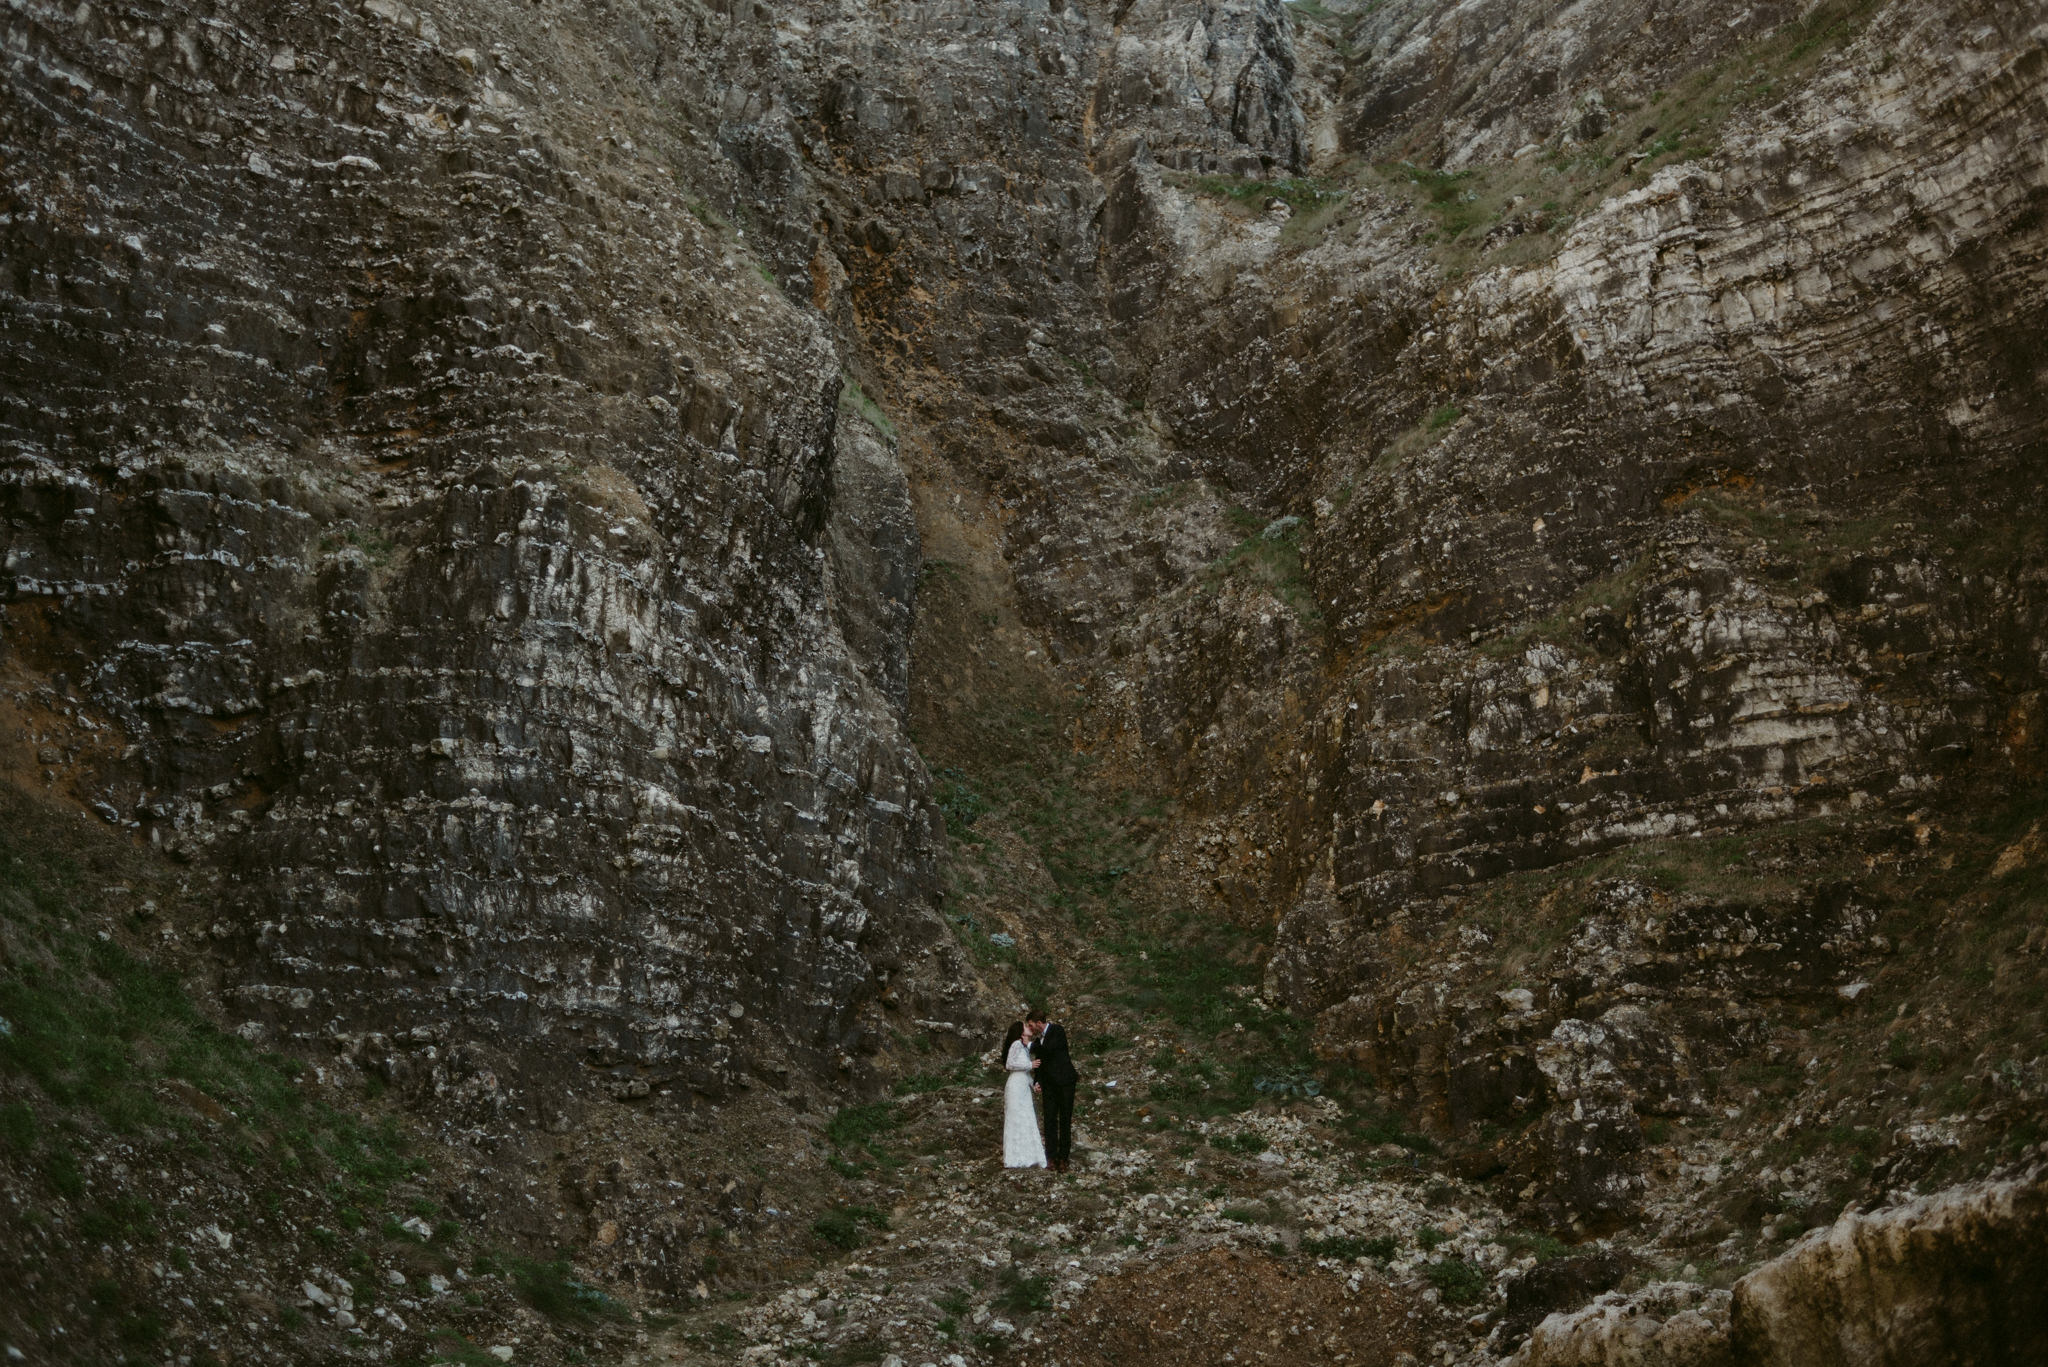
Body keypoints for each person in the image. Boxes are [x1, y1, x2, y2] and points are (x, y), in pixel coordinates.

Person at [1026, 1007, 1078, 1172]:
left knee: (1064, 1119)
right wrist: (1037, 1080)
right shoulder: (1040, 1040)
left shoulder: (1057, 1030)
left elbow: (1048, 1050)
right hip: (1048, 1084)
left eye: (1031, 1025)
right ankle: (1051, 1157)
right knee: (1049, 1120)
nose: (1030, 1029)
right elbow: (1040, 1062)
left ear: (1039, 1023)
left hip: (1065, 1083)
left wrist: (1031, 1045)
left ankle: (1063, 1158)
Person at [1000, 1021, 1047, 1169]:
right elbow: (1009, 1065)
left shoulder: (1024, 1048)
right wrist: (1030, 1065)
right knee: (1016, 1119)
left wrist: (1034, 1085)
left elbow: (1025, 1073)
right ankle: (1014, 1158)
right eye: (1026, 1026)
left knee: (1026, 1118)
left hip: (1023, 1087)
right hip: (1014, 1087)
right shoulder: (1016, 1044)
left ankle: (1028, 1156)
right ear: (1021, 1032)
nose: (1030, 1028)